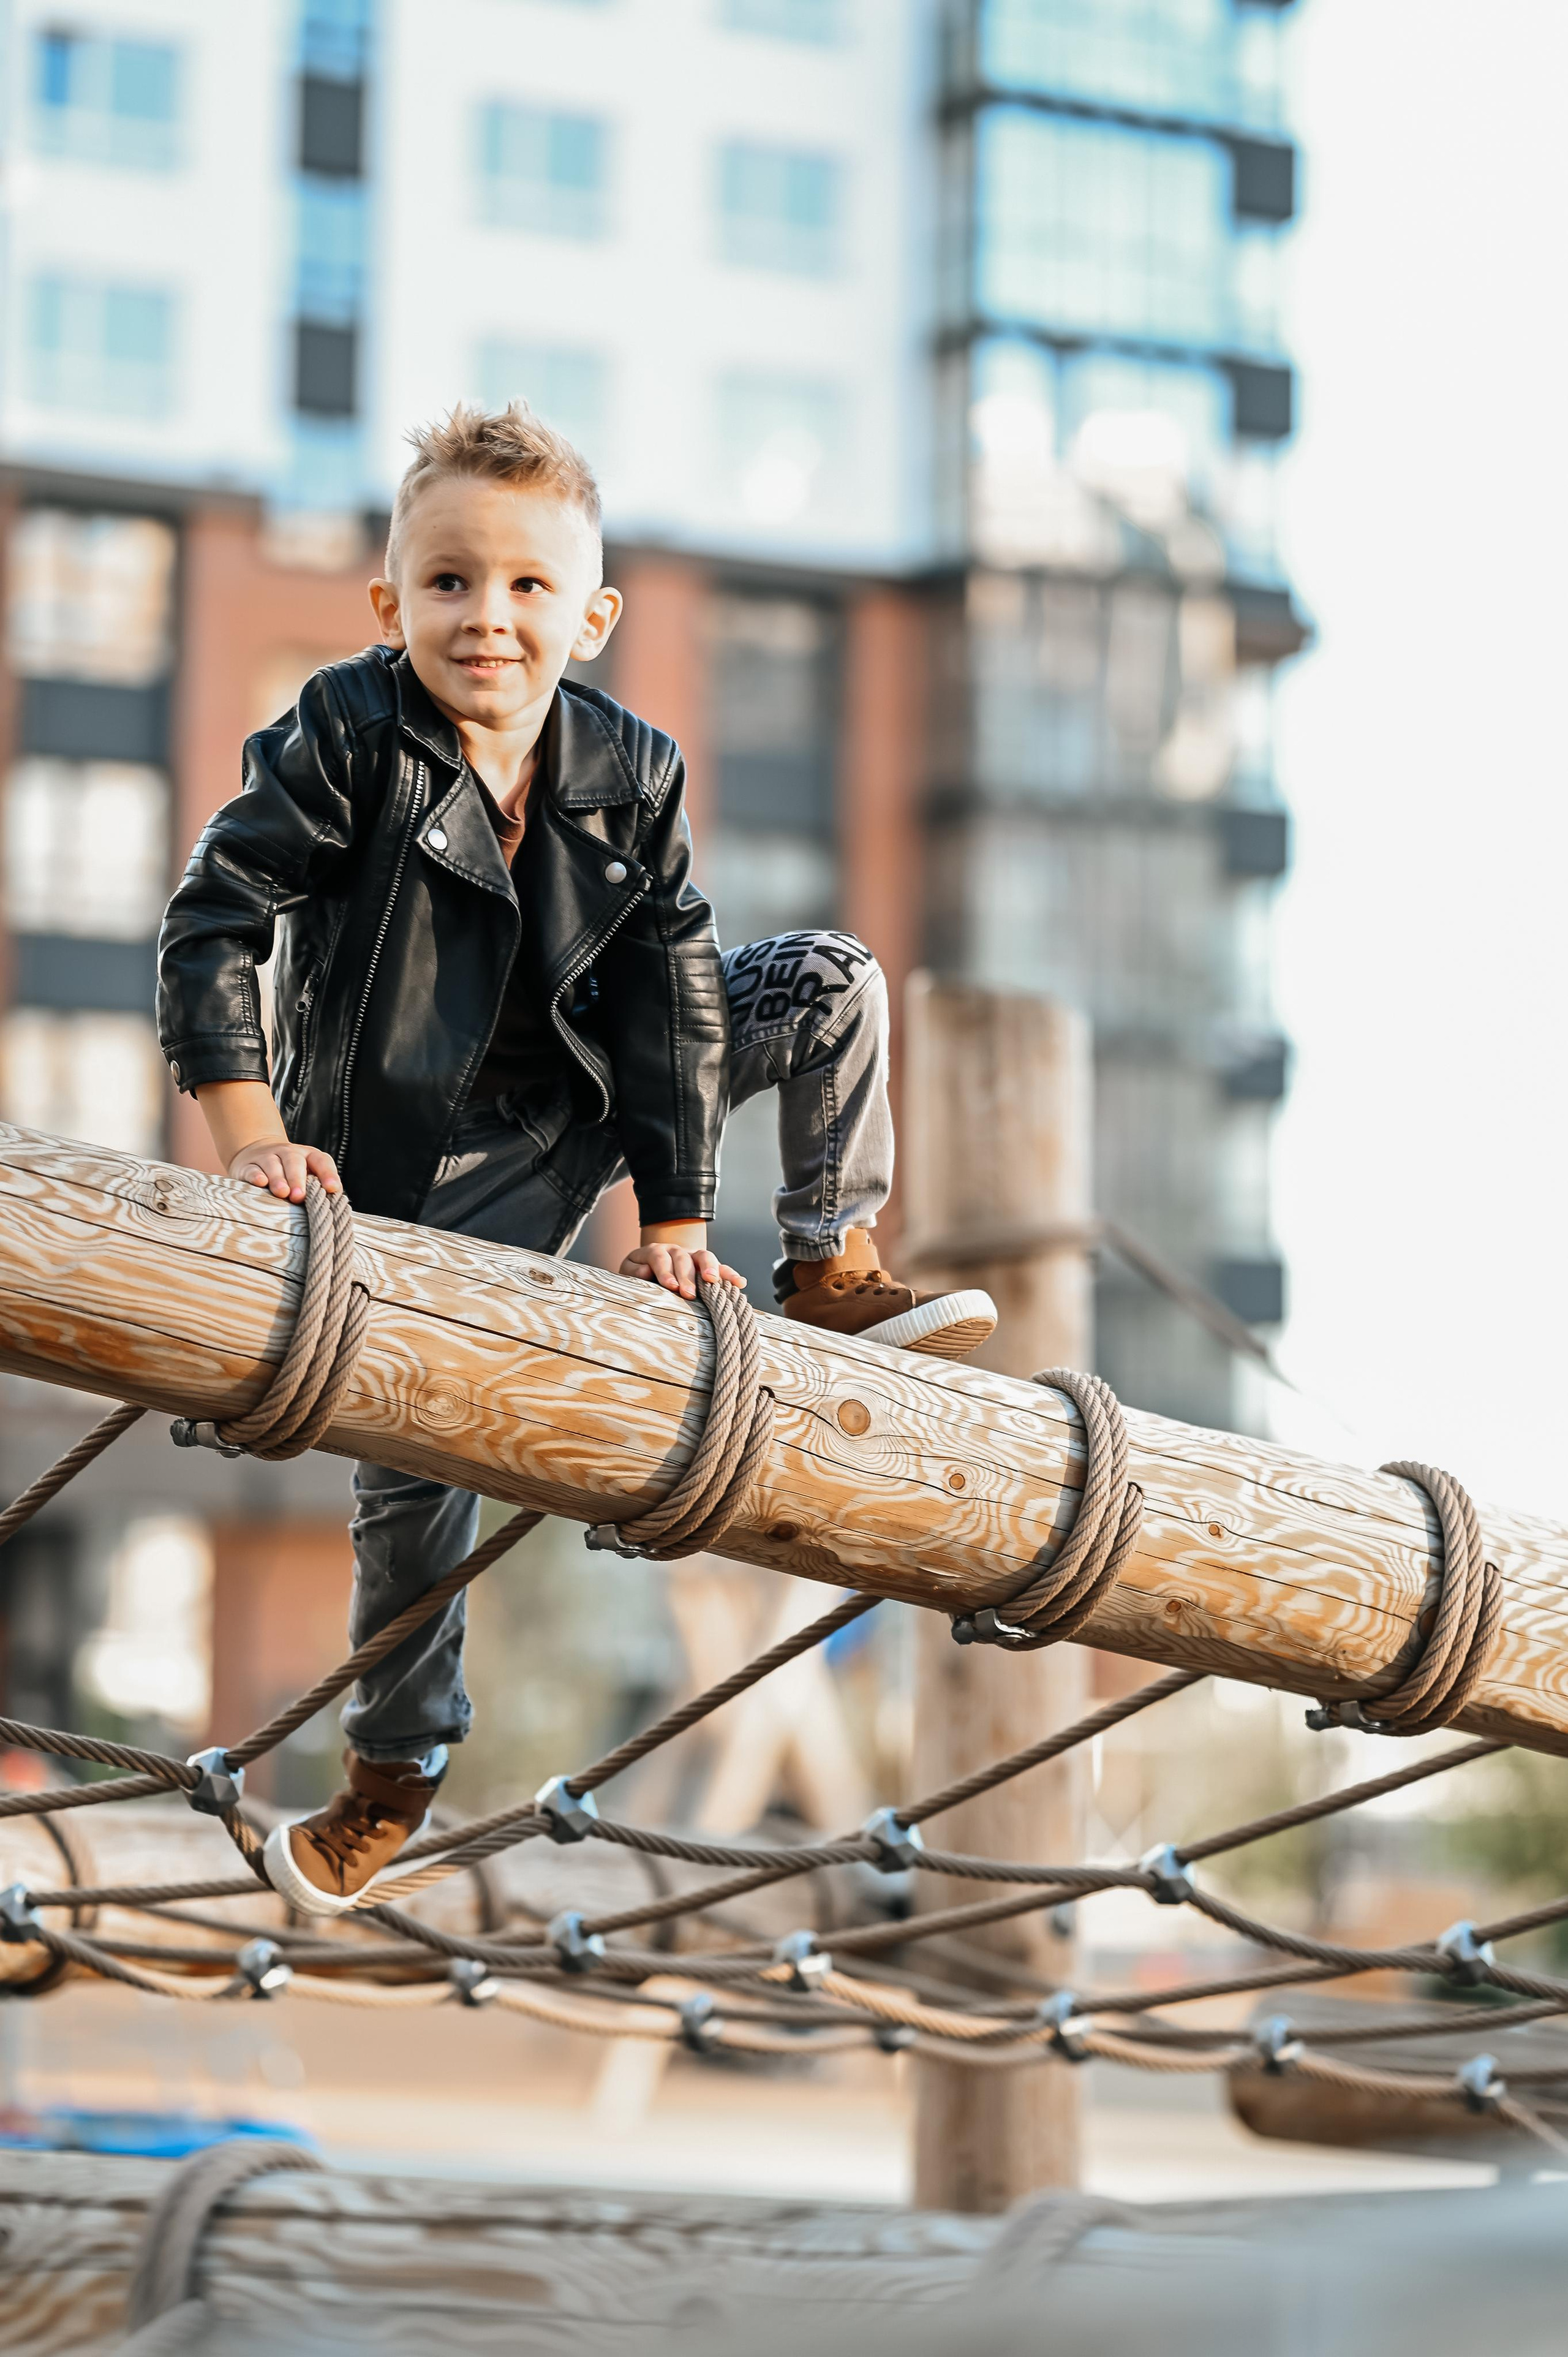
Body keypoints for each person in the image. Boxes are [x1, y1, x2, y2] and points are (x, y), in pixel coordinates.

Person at [157, 403, 995, 1916]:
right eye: (451, 582)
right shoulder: (346, 735)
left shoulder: (632, 770)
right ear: (390, 604)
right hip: (413, 1171)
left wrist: (675, 1215)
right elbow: (214, 921)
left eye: (529, 585)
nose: (488, 616)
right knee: (417, 1472)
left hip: (586, 1100)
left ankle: (828, 1261)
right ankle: (394, 1769)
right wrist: (254, 1136)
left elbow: (674, 995)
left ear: (590, 617)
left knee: (828, 980)